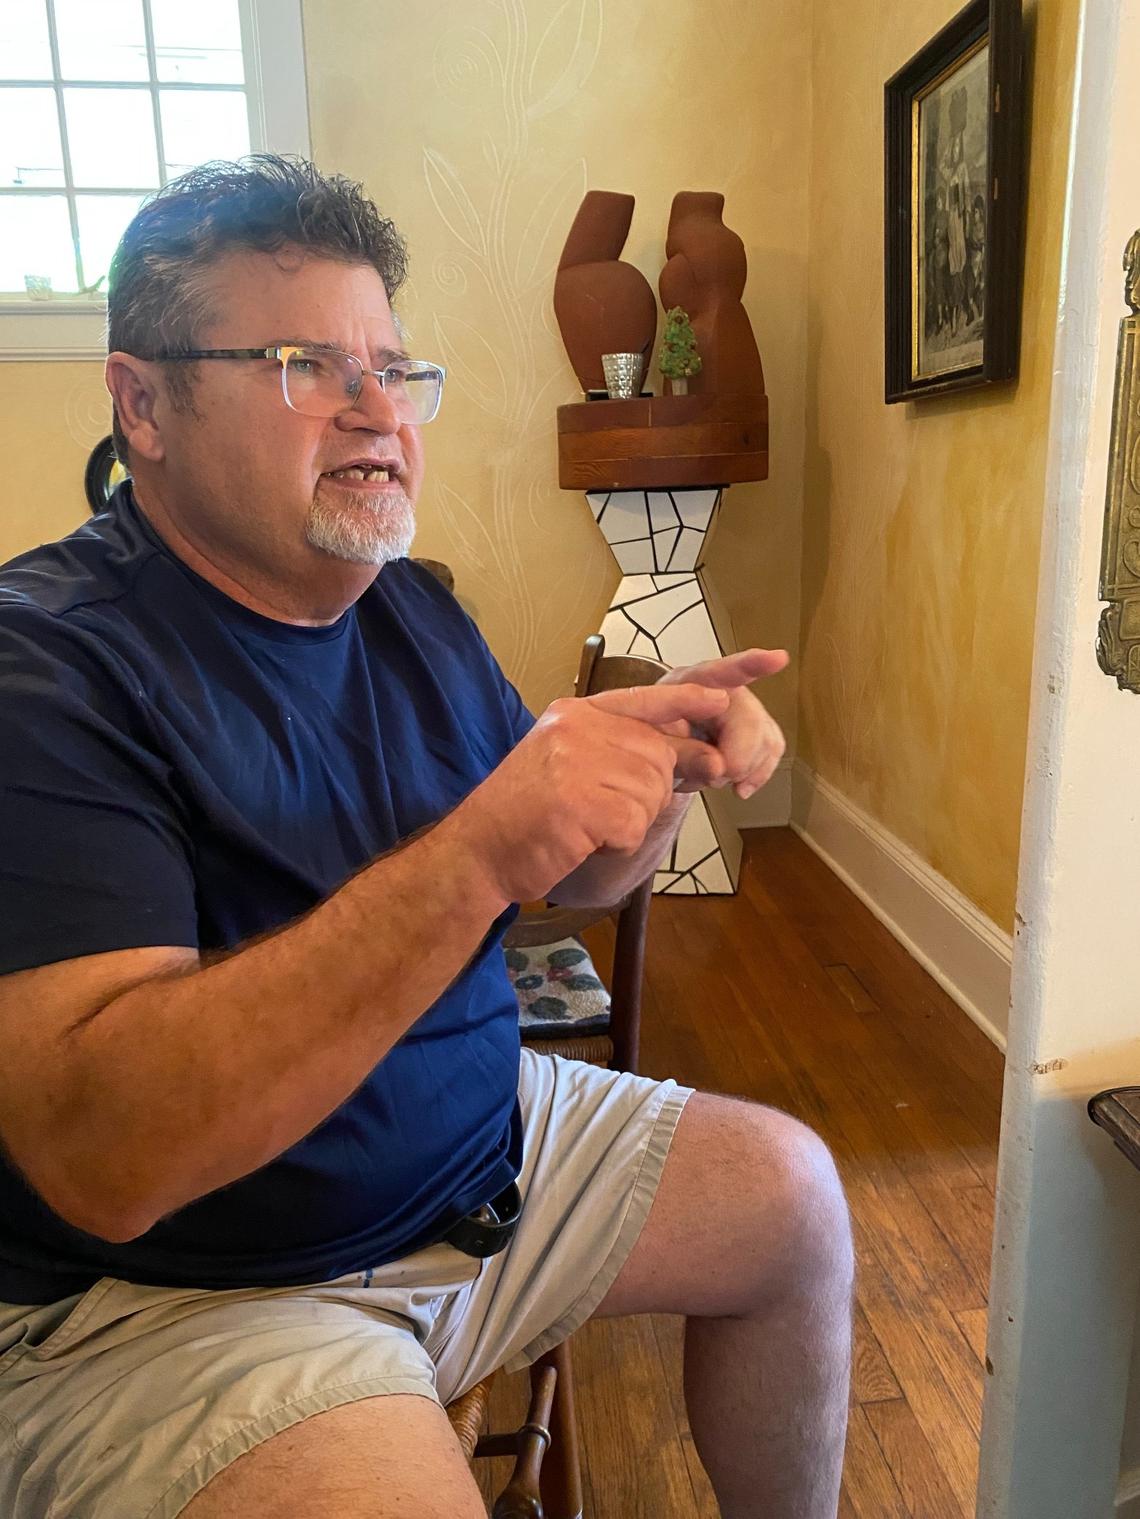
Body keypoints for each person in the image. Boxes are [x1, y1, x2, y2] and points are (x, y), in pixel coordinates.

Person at [0, 156, 852, 1519]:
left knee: (793, 1201)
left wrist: (661, 774)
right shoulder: (44, 674)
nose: (375, 412)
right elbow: (106, 1159)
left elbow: (569, 881)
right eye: (305, 365)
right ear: (142, 403)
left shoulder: (414, 613)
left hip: (484, 1157)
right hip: (195, 1295)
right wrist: (478, 854)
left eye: (394, 371)